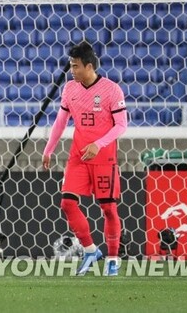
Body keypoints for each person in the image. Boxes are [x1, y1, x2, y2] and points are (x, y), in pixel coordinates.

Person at [42, 42, 128, 277]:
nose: (72, 70)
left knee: (108, 208)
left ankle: (113, 259)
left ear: (89, 66)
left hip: (104, 158)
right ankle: (90, 250)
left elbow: (121, 125)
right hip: (78, 156)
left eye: (75, 66)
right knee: (67, 203)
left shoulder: (112, 90)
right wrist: (49, 148)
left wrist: (98, 144)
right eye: (71, 65)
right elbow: (61, 121)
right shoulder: (70, 88)